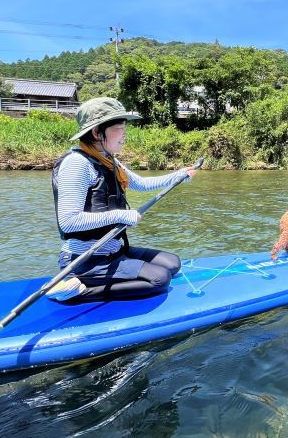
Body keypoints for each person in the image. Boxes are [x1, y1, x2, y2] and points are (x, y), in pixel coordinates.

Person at [46, 97, 198, 303]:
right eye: (119, 127)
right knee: (160, 279)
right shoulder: (77, 164)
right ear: (97, 132)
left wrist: (179, 175)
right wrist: (120, 215)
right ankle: (75, 291)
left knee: (172, 264)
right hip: (88, 259)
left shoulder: (108, 160)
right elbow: (68, 221)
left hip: (114, 249)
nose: (125, 134)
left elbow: (142, 184)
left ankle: (106, 273)